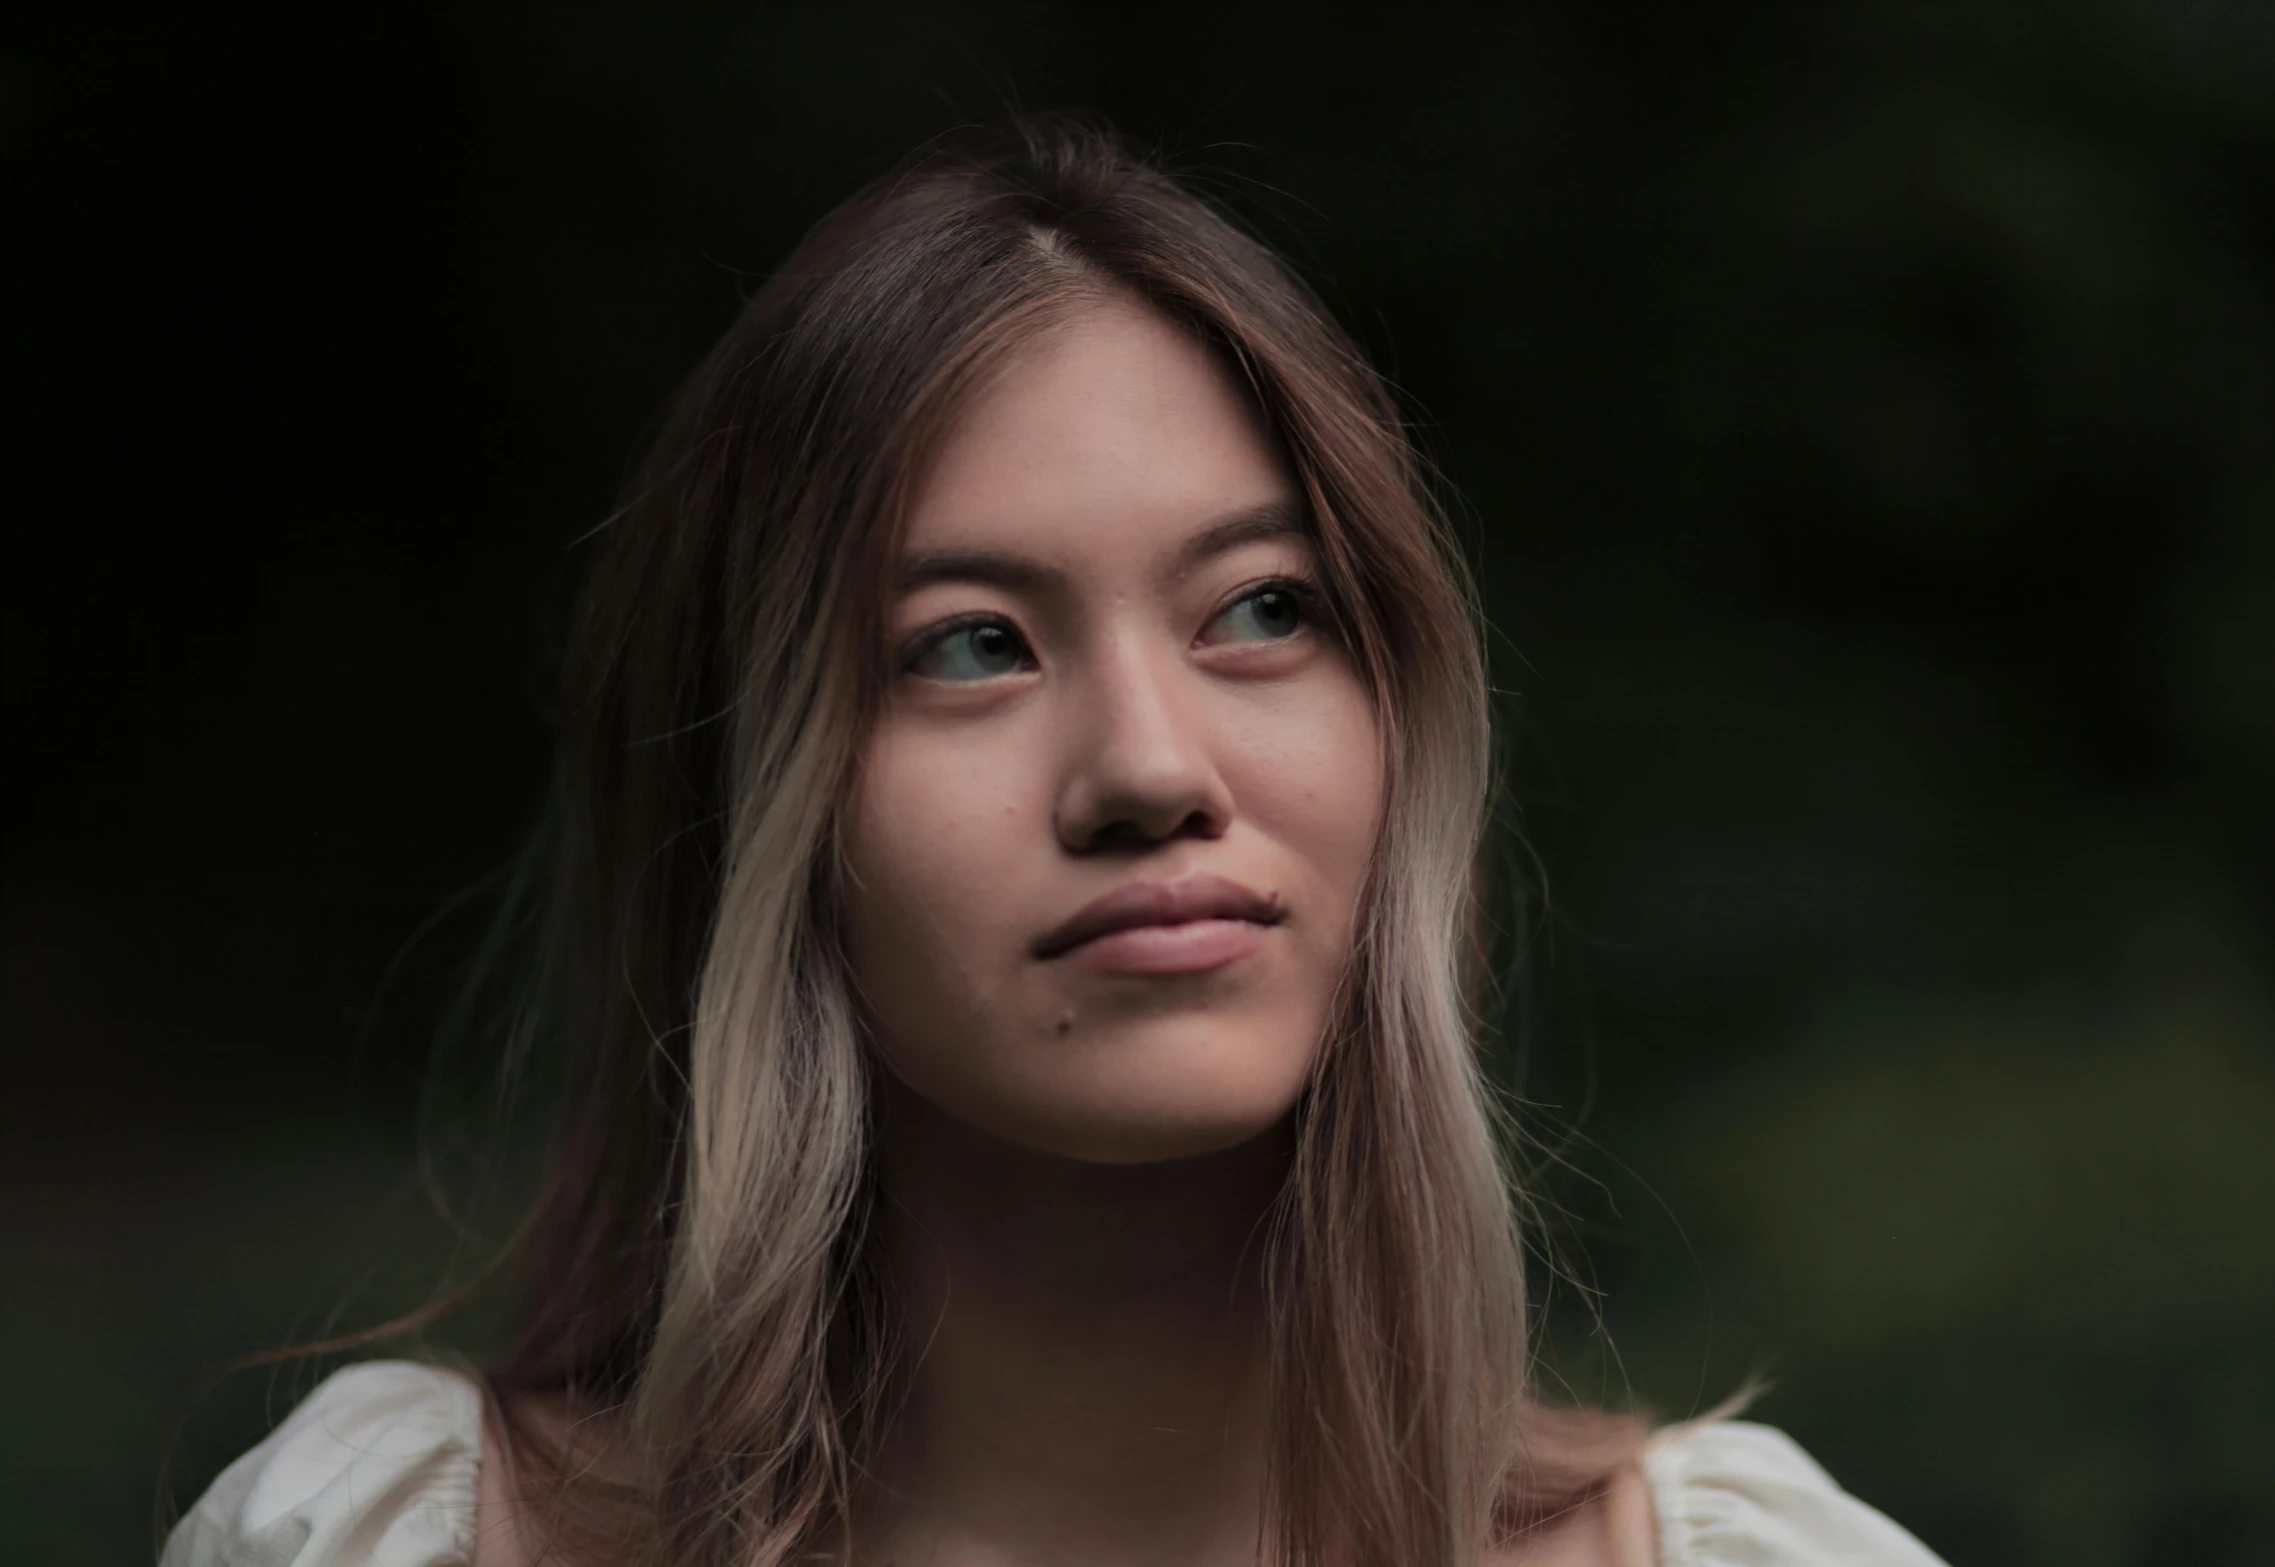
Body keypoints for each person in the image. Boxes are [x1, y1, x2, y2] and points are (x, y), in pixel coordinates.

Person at [162, 116, 1947, 1567]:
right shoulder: (394, 1542)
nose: (1150, 766)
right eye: (968, 643)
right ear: (747, 803)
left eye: (1260, 610)